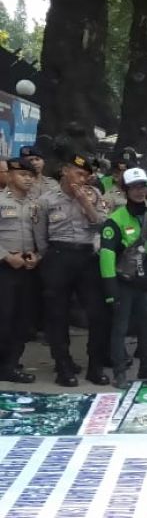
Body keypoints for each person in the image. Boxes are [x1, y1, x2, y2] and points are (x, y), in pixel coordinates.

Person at [36, 153, 110, 386]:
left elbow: (102, 224)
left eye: (87, 175)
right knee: (57, 314)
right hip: (58, 256)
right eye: (79, 173)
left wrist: (84, 201)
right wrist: (49, 257)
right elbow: (40, 235)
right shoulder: (46, 200)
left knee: (97, 313)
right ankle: (63, 366)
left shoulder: (94, 195)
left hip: (87, 256)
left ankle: (95, 366)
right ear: (65, 171)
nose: (83, 179)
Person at [100, 168, 147, 389]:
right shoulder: (115, 220)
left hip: (144, 282)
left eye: (143, 186)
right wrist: (110, 289)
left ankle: (146, 368)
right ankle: (120, 373)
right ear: (125, 190)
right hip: (123, 282)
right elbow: (107, 256)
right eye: (134, 187)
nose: (140, 191)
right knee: (120, 329)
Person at [0, 156, 39, 383]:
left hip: (27, 266)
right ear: (10, 176)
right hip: (5, 267)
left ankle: (11, 363)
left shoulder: (35, 203)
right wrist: (6, 256)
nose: (27, 179)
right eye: (22, 175)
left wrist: (37, 254)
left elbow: (40, 234)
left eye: (30, 176)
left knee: (23, 320)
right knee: (4, 318)